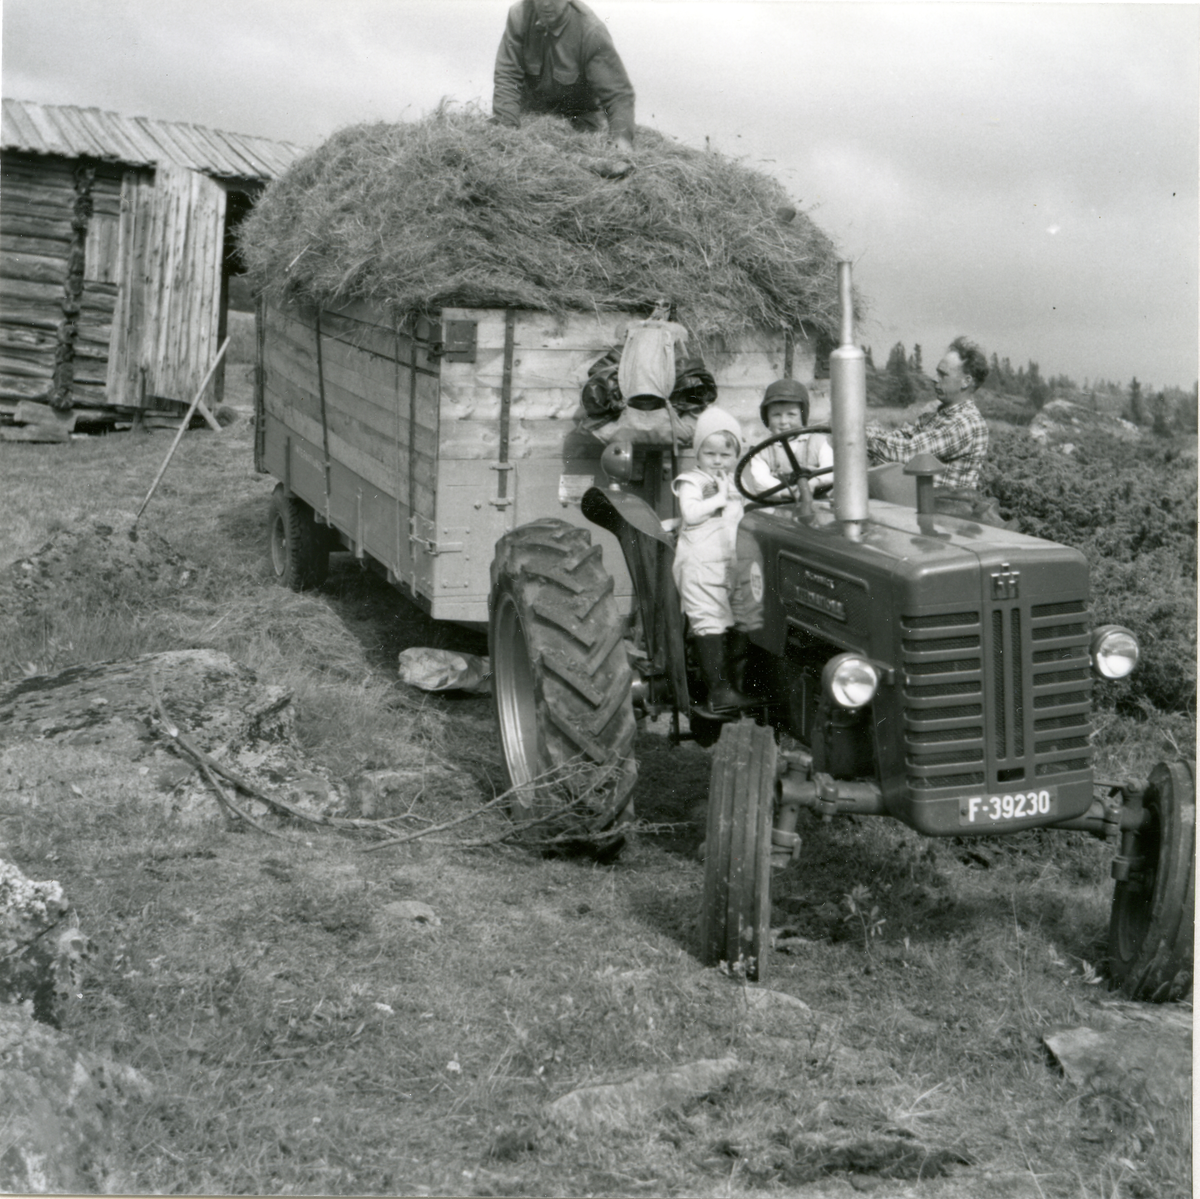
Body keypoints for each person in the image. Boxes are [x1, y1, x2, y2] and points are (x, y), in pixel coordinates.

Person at [672, 406, 755, 714]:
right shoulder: (691, 482)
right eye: (710, 454)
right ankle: (718, 692)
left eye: (726, 455)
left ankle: (735, 685)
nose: (718, 461)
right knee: (709, 622)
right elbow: (690, 513)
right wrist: (719, 499)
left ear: (736, 456)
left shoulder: (736, 483)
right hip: (700, 564)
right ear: (698, 454)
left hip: (729, 563)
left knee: (740, 619)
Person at [492, 0, 636, 155]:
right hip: (530, 117)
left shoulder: (590, 31)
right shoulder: (519, 15)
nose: (546, 4)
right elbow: (508, 74)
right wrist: (508, 132)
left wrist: (622, 139)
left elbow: (617, 95)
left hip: (578, 125)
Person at [866, 337, 989, 491]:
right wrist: (863, 430)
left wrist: (861, 437)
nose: (934, 379)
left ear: (966, 381)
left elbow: (910, 452)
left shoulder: (967, 422)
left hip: (944, 508)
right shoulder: (937, 416)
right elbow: (903, 436)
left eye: (943, 375)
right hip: (920, 502)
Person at [745, 378, 834, 500]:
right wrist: (788, 491)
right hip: (779, 503)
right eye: (776, 415)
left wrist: (813, 483)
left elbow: (830, 469)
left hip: (817, 501)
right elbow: (760, 480)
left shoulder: (819, 442)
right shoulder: (761, 451)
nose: (783, 422)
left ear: (802, 416)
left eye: (791, 414)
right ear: (767, 419)